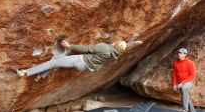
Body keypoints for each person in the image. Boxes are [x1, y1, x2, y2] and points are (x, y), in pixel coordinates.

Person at [15, 35, 143, 79]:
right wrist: (134, 43)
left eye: (117, 42)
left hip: (80, 61)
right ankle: (41, 75)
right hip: (85, 66)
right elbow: (124, 46)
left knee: (54, 63)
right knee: (55, 59)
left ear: (114, 44)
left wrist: (69, 46)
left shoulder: (104, 47)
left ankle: (25, 72)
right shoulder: (116, 52)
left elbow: (85, 49)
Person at [173, 48, 197, 112]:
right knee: (185, 96)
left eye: (181, 53)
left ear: (185, 54)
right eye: (179, 53)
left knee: (184, 88)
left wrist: (182, 83)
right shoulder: (176, 62)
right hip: (180, 82)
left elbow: (192, 75)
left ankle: (185, 109)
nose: (179, 54)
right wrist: (175, 84)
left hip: (188, 81)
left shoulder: (190, 63)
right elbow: (174, 74)